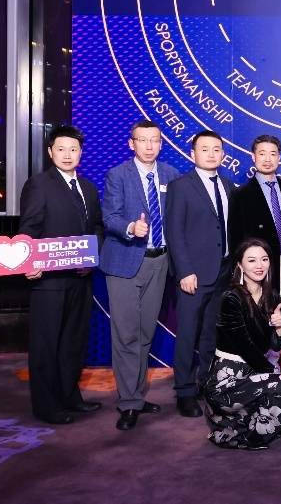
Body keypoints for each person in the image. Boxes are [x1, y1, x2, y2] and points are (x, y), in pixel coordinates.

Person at [18, 125, 104, 425]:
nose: (68, 155)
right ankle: (46, 406)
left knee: (73, 342)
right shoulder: (38, 185)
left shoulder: (88, 188)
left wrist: (91, 258)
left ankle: (70, 397)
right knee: (46, 344)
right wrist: (27, 261)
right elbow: (28, 228)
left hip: (80, 278)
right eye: (61, 149)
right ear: (50, 151)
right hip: (48, 282)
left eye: (74, 149)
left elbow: (97, 227)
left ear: (81, 153)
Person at [99, 120, 180, 430]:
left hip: (160, 263)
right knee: (126, 334)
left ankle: (137, 392)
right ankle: (129, 401)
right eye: (142, 140)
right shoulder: (117, 175)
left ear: (161, 144)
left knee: (145, 333)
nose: (149, 146)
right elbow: (110, 217)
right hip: (125, 262)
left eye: (155, 140)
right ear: (131, 143)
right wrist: (131, 227)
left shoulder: (171, 175)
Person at [203, 239, 281, 450]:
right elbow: (246, 348)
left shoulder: (271, 296)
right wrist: (275, 376)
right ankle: (248, 435)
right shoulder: (231, 298)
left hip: (256, 374)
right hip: (227, 382)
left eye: (264, 259)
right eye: (252, 260)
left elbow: (275, 345)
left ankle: (254, 420)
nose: (259, 265)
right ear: (240, 265)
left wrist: (280, 326)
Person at [165, 130, 237, 418]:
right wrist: (185, 271)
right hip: (193, 275)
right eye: (204, 149)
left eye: (216, 149)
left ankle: (206, 384)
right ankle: (184, 392)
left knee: (210, 334)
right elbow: (174, 231)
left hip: (223, 272)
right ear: (192, 153)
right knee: (187, 334)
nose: (211, 154)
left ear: (223, 154)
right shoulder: (181, 186)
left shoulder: (229, 186)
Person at [228, 135, 281, 316]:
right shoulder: (241, 194)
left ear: (279, 158)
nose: (268, 159)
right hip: (258, 267)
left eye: (273, 154)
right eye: (262, 154)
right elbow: (235, 237)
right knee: (258, 316)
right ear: (253, 157)